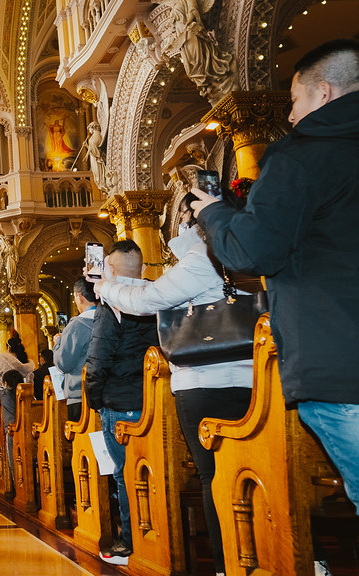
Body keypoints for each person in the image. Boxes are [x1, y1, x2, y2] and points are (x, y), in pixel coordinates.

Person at [192, 39, 359, 511]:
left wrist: (215, 215)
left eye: (294, 101)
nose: (288, 116)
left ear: (323, 93)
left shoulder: (302, 155)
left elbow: (251, 251)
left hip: (340, 361)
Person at [89, 195, 253, 575]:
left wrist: (107, 288)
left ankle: (228, 563)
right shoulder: (254, 251)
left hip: (205, 380)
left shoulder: (205, 258)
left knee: (214, 475)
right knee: (249, 470)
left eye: (184, 213)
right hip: (253, 376)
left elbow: (151, 299)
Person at [83, 239, 158, 565]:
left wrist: (95, 399)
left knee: (126, 475)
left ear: (107, 269)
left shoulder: (110, 304)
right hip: (156, 400)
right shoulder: (159, 296)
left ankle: (130, 542)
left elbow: (98, 359)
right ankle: (159, 537)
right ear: (142, 268)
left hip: (120, 402)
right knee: (153, 473)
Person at [54, 279, 100, 422]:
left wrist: (57, 343)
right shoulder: (108, 320)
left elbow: (63, 364)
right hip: (105, 394)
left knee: (82, 443)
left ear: (79, 296)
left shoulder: (76, 325)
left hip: (80, 396)